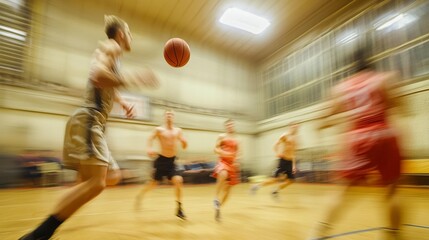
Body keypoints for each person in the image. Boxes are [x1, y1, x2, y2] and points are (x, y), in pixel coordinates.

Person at [20, 15, 158, 240]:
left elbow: (108, 85)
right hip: (89, 120)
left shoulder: (115, 55)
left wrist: (123, 103)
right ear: (121, 34)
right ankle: (38, 235)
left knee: (110, 176)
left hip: (94, 123)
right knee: (97, 183)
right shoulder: (111, 46)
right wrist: (135, 78)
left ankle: (55, 214)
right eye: (130, 32)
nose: (131, 37)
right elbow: (97, 76)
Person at [309, 48, 403, 240]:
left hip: (358, 137)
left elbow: (325, 116)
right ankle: (394, 235)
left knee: (342, 190)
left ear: (352, 67)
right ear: (371, 63)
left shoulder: (341, 87)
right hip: (385, 134)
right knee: (392, 189)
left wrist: (321, 125)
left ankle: (319, 233)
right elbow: (400, 105)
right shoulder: (384, 78)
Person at [135, 110, 188, 219]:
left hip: (172, 161)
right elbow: (150, 138)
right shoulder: (159, 129)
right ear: (164, 117)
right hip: (161, 161)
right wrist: (149, 148)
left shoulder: (178, 130)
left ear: (173, 117)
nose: (169, 116)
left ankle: (179, 209)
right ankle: (140, 196)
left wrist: (184, 143)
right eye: (167, 114)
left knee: (178, 180)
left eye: (171, 114)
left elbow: (184, 145)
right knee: (153, 184)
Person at [250, 122, 299, 198]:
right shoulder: (285, 136)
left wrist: (294, 165)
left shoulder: (295, 139)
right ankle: (256, 186)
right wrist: (278, 153)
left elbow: (293, 153)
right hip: (283, 161)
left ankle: (275, 190)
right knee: (274, 179)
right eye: (294, 127)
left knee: (290, 181)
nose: (295, 129)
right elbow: (276, 145)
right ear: (290, 127)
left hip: (290, 162)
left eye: (297, 128)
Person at [212, 119, 241, 221]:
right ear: (226, 126)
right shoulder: (221, 136)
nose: (230, 126)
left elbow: (238, 153)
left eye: (231, 124)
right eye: (228, 125)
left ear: (233, 126)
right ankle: (215, 197)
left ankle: (218, 208)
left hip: (232, 165)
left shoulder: (237, 140)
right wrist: (223, 153)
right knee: (223, 173)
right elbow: (215, 149)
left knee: (228, 191)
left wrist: (237, 161)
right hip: (223, 162)